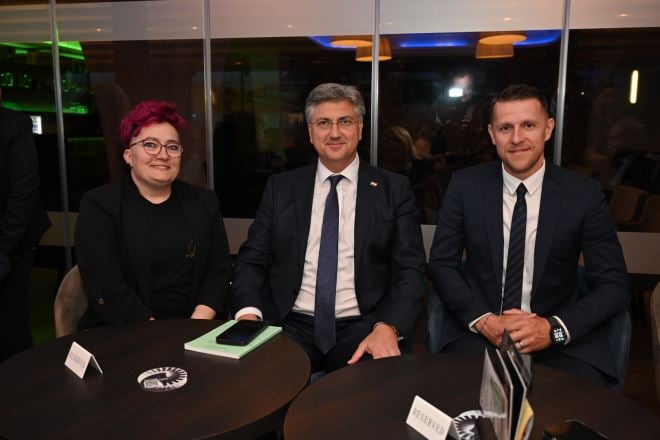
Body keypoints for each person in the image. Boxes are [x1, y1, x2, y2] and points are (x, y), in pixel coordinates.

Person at [428, 84, 630, 387]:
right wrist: (484, 321)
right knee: (456, 403)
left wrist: (553, 329)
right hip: (482, 336)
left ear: (548, 129)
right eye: (505, 128)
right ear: (492, 134)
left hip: (559, 341)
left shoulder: (583, 195)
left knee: (576, 410)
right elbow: (442, 264)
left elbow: (614, 284)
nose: (516, 138)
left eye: (528, 126)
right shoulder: (465, 187)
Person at [231, 83, 426, 373]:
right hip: (289, 323)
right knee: (261, 388)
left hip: (365, 325)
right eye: (324, 123)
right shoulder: (282, 188)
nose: (334, 133)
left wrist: (389, 326)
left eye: (345, 121)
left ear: (360, 129)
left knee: (371, 394)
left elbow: (410, 269)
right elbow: (252, 259)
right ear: (311, 133)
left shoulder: (393, 189)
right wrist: (249, 315)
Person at [75, 100, 231, 328]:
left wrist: (195, 324)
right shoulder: (100, 205)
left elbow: (218, 271)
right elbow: (106, 285)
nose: (163, 155)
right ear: (128, 155)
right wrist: (158, 334)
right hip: (124, 329)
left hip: (194, 328)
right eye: (150, 145)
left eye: (172, 147)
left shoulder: (204, 202)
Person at [0, 92, 51, 362]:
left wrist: (3, 251)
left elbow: (24, 194)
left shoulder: (13, 124)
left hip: (13, 240)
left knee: (11, 329)